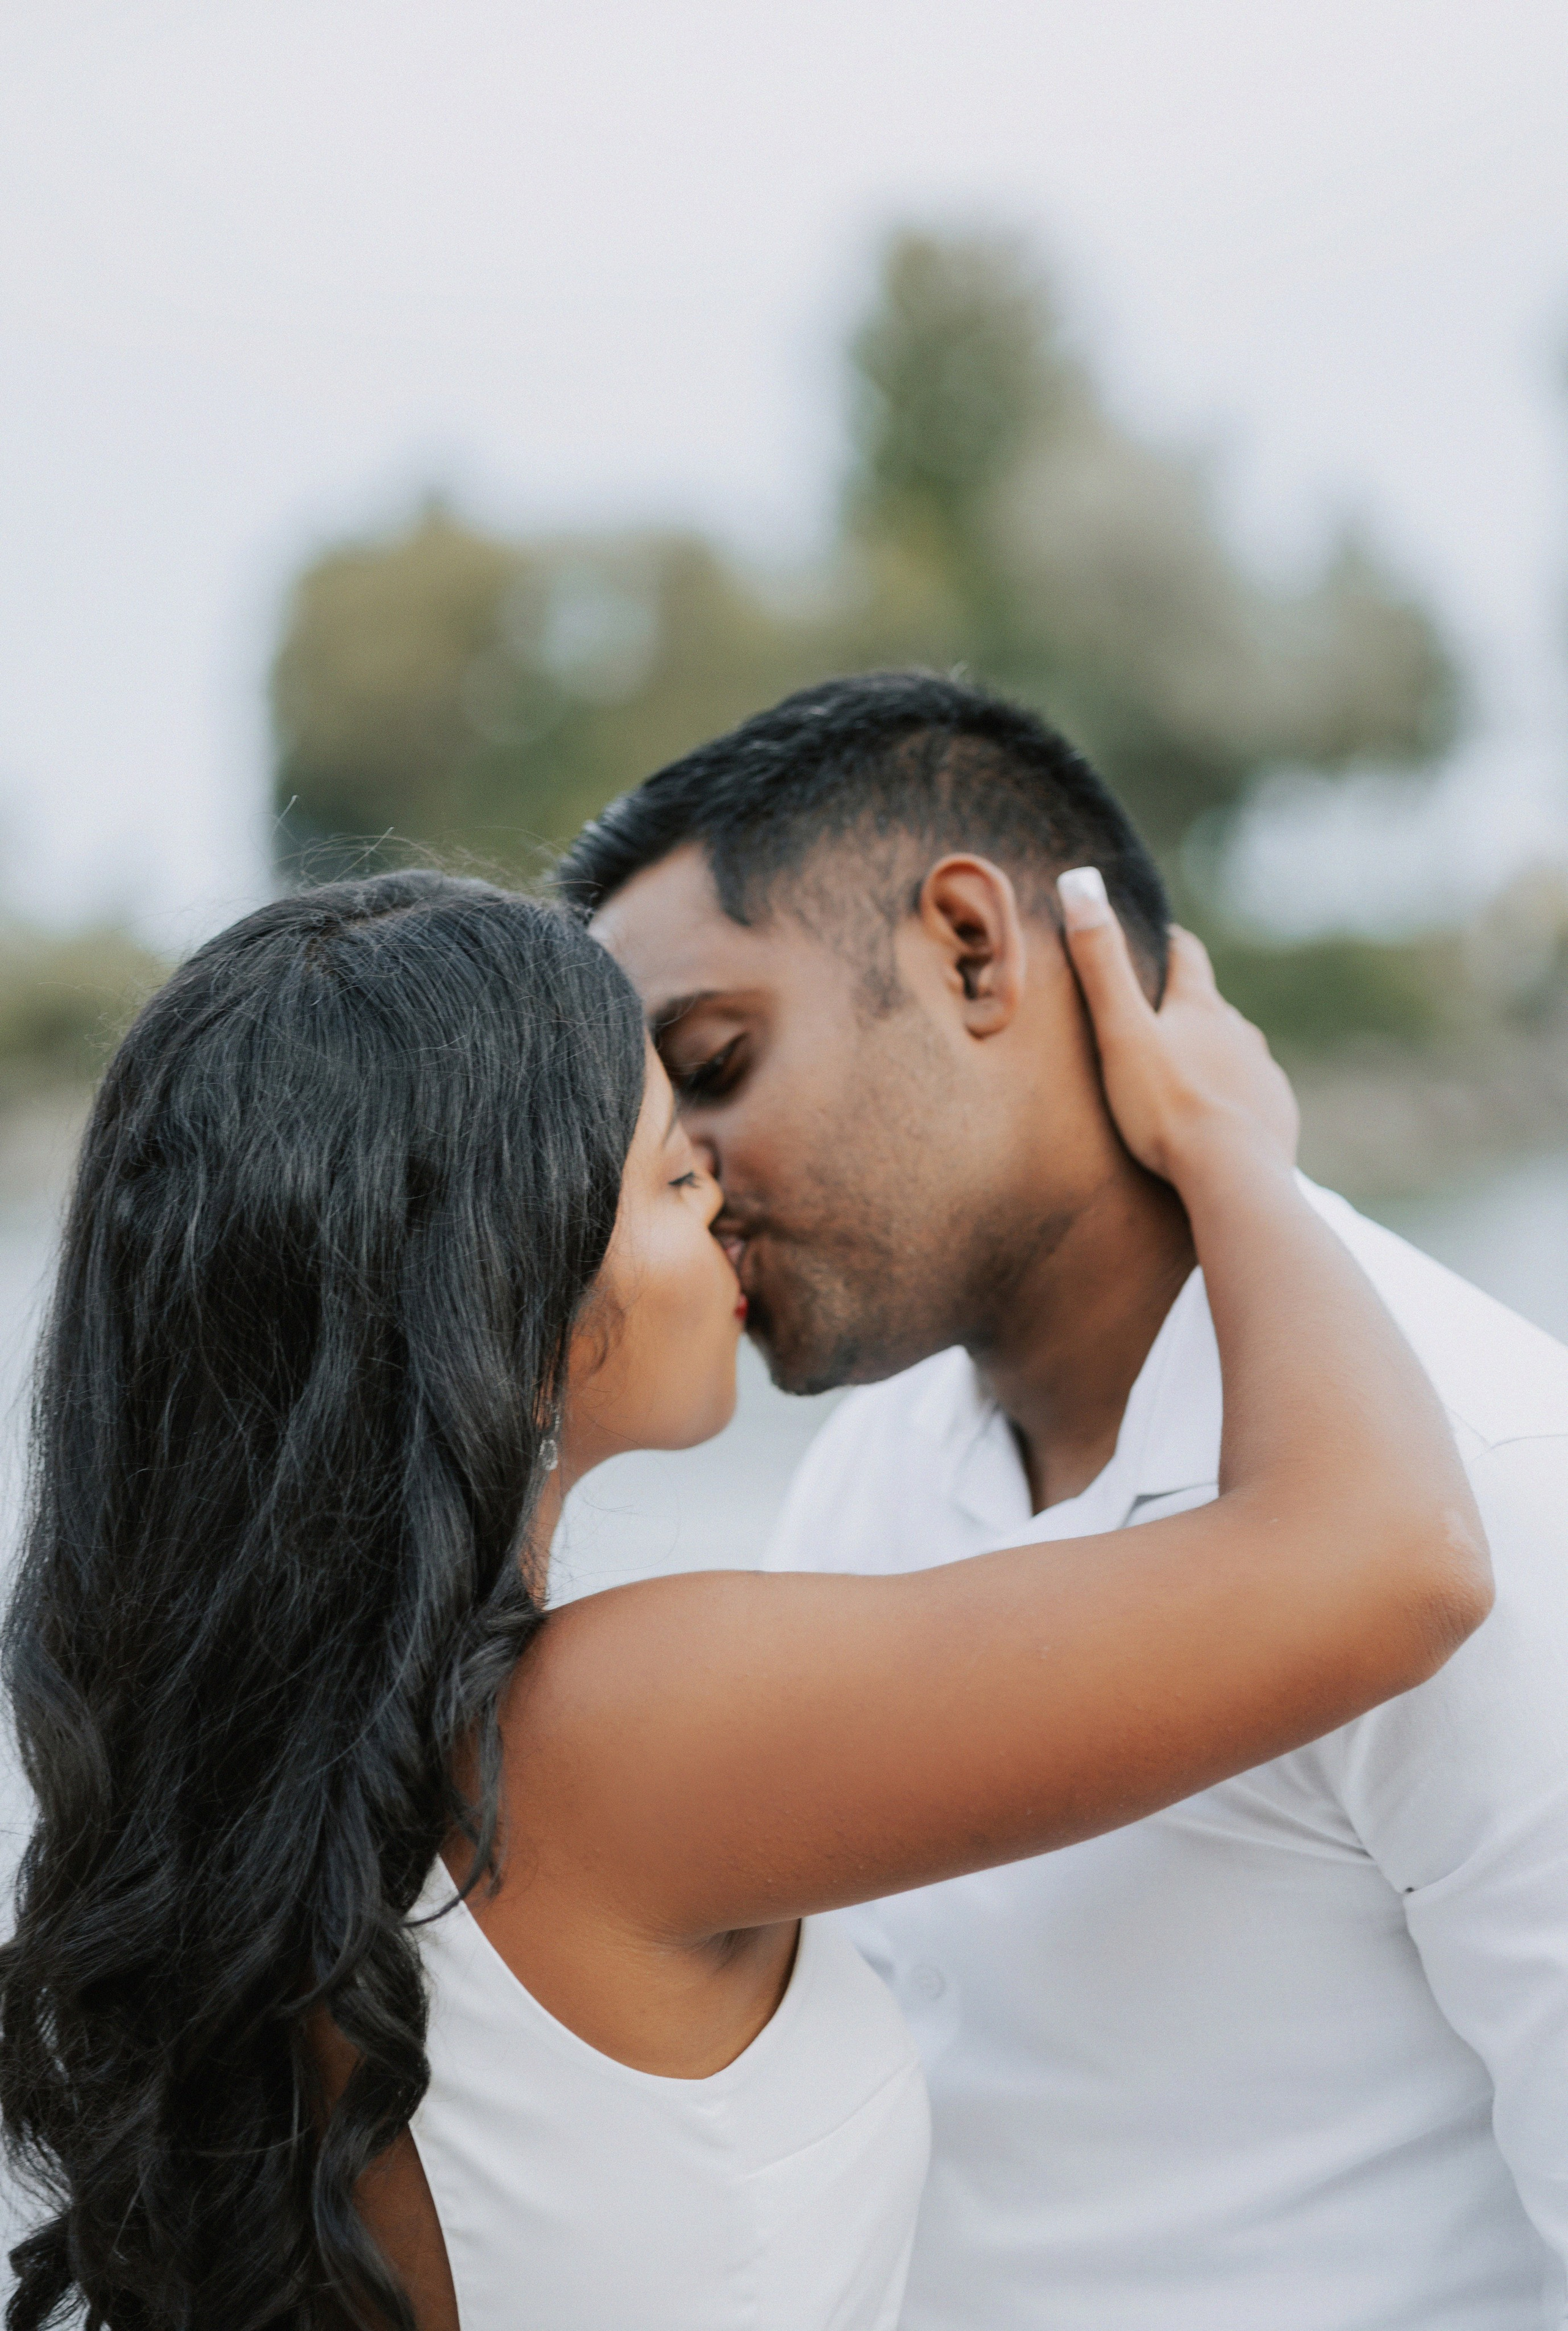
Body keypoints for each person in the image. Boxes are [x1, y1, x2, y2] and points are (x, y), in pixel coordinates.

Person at [0, 870, 1486, 2331]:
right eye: (667, 1169)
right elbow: (1393, 1557)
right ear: (496, 1291)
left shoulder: (248, 1790)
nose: (721, 1198)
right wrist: (1235, 1147)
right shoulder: (606, 1729)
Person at [564, 668, 1568, 2331]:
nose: (686, 1182)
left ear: (972, 948)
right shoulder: (874, 1470)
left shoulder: (1490, 1469)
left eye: (717, 1061)